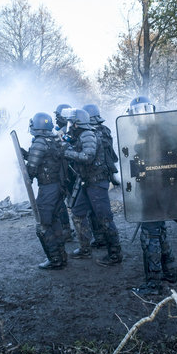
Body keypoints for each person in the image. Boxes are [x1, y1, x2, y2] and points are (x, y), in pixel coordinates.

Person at [126, 96, 177, 295]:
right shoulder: (146, 131)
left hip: (159, 189)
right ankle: (171, 272)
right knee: (159, 231)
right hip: (151, 188)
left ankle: (154, 283)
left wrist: (158, 172)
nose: (138, 116)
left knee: (150, 234)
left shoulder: (159, 128)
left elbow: (176, 157)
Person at [63, 108, 123, 266]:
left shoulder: (88, 134)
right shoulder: (81, 134)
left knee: (105, 218)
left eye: (72, 122)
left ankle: (115, 254)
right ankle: (85, 248)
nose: (70, 125)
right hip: (88, 182)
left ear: (77, 123)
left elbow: (87, 157)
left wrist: (66, 152)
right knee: (78, 212)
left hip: (96, 183)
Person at [24, 112, 69, 270]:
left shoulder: (39, 142)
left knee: (43, 224)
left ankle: (55, 260)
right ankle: (62, 256)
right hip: (58, 187)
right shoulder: (54, 139)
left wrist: (27, 167)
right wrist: (26, 155)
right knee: (54, 220)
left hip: (48, 188)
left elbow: (32, 168)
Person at [82, 103, 119, 249]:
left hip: (98, 177)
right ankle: (100, 239)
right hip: (97, 176)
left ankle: (114, 251)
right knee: (93, 211)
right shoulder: (102, 130)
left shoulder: (97, 133)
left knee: (102, 214)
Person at [53, 103, 76, 242]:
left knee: (76, 204)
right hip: (64, 172)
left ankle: (70, 230)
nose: (56, 118)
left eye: (57, 116)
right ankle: (67, 230)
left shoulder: (71, 130)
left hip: (72, 173)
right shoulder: (61, 130)